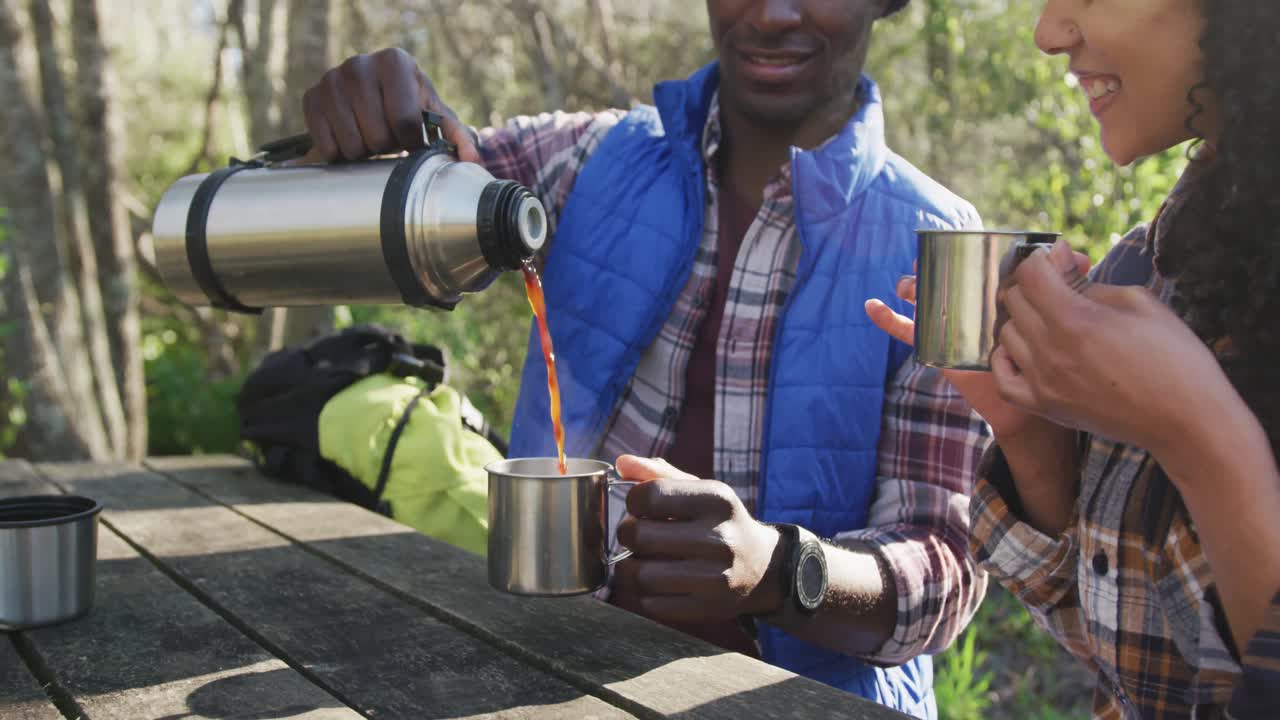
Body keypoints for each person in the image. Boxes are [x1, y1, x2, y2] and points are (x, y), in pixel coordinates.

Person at [300, 2, 990, 716]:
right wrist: (374, 131)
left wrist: (779, 570)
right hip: (549, 677)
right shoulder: (587, 163)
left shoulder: (939, 244)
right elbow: (421, 198)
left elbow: (945, 567)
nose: (772, 14)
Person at [868, 0, 1280, 716]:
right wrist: (1030, 430)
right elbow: (1131, 665)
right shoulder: (1145, 270)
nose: (1048, 33)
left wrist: (1198, 435)